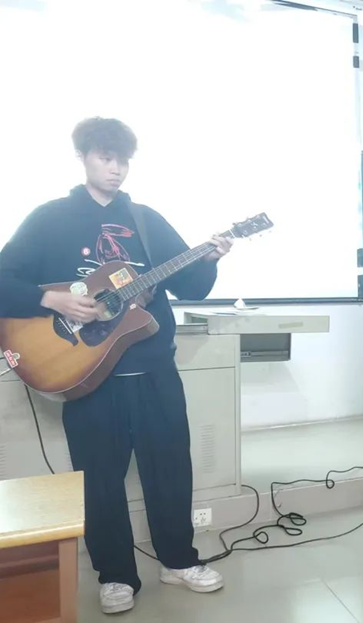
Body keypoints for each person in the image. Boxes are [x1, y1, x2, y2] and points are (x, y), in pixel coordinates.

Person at [0, 118, 231, 614]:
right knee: (99, 479)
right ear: (82, 157)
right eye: (106, 158)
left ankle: (179, 560)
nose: (116, 169)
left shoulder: (146, 221)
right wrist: (53, 299)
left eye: (123, 160)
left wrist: (210, 258)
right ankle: (116, 575)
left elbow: (190, 285)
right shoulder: (49, 218)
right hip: (85, 376)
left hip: (154, 370)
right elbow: (4, 279)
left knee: (170, 469)